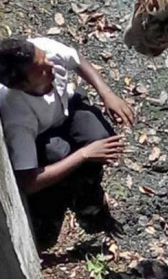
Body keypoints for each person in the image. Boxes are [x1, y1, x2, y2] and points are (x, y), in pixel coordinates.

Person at [0, 36, 134, 248]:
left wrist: (107, 93)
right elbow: (27, 182)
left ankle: (88, 203)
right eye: (41, 69)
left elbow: (76, 59)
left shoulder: (44, 51)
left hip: (66, 109)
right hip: (42, 136)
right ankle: (61, 208)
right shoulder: (17, 115)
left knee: (100, 135)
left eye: (44, 58)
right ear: (21, 86)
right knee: (60, 156)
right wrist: (84, 154)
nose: (51, 64)